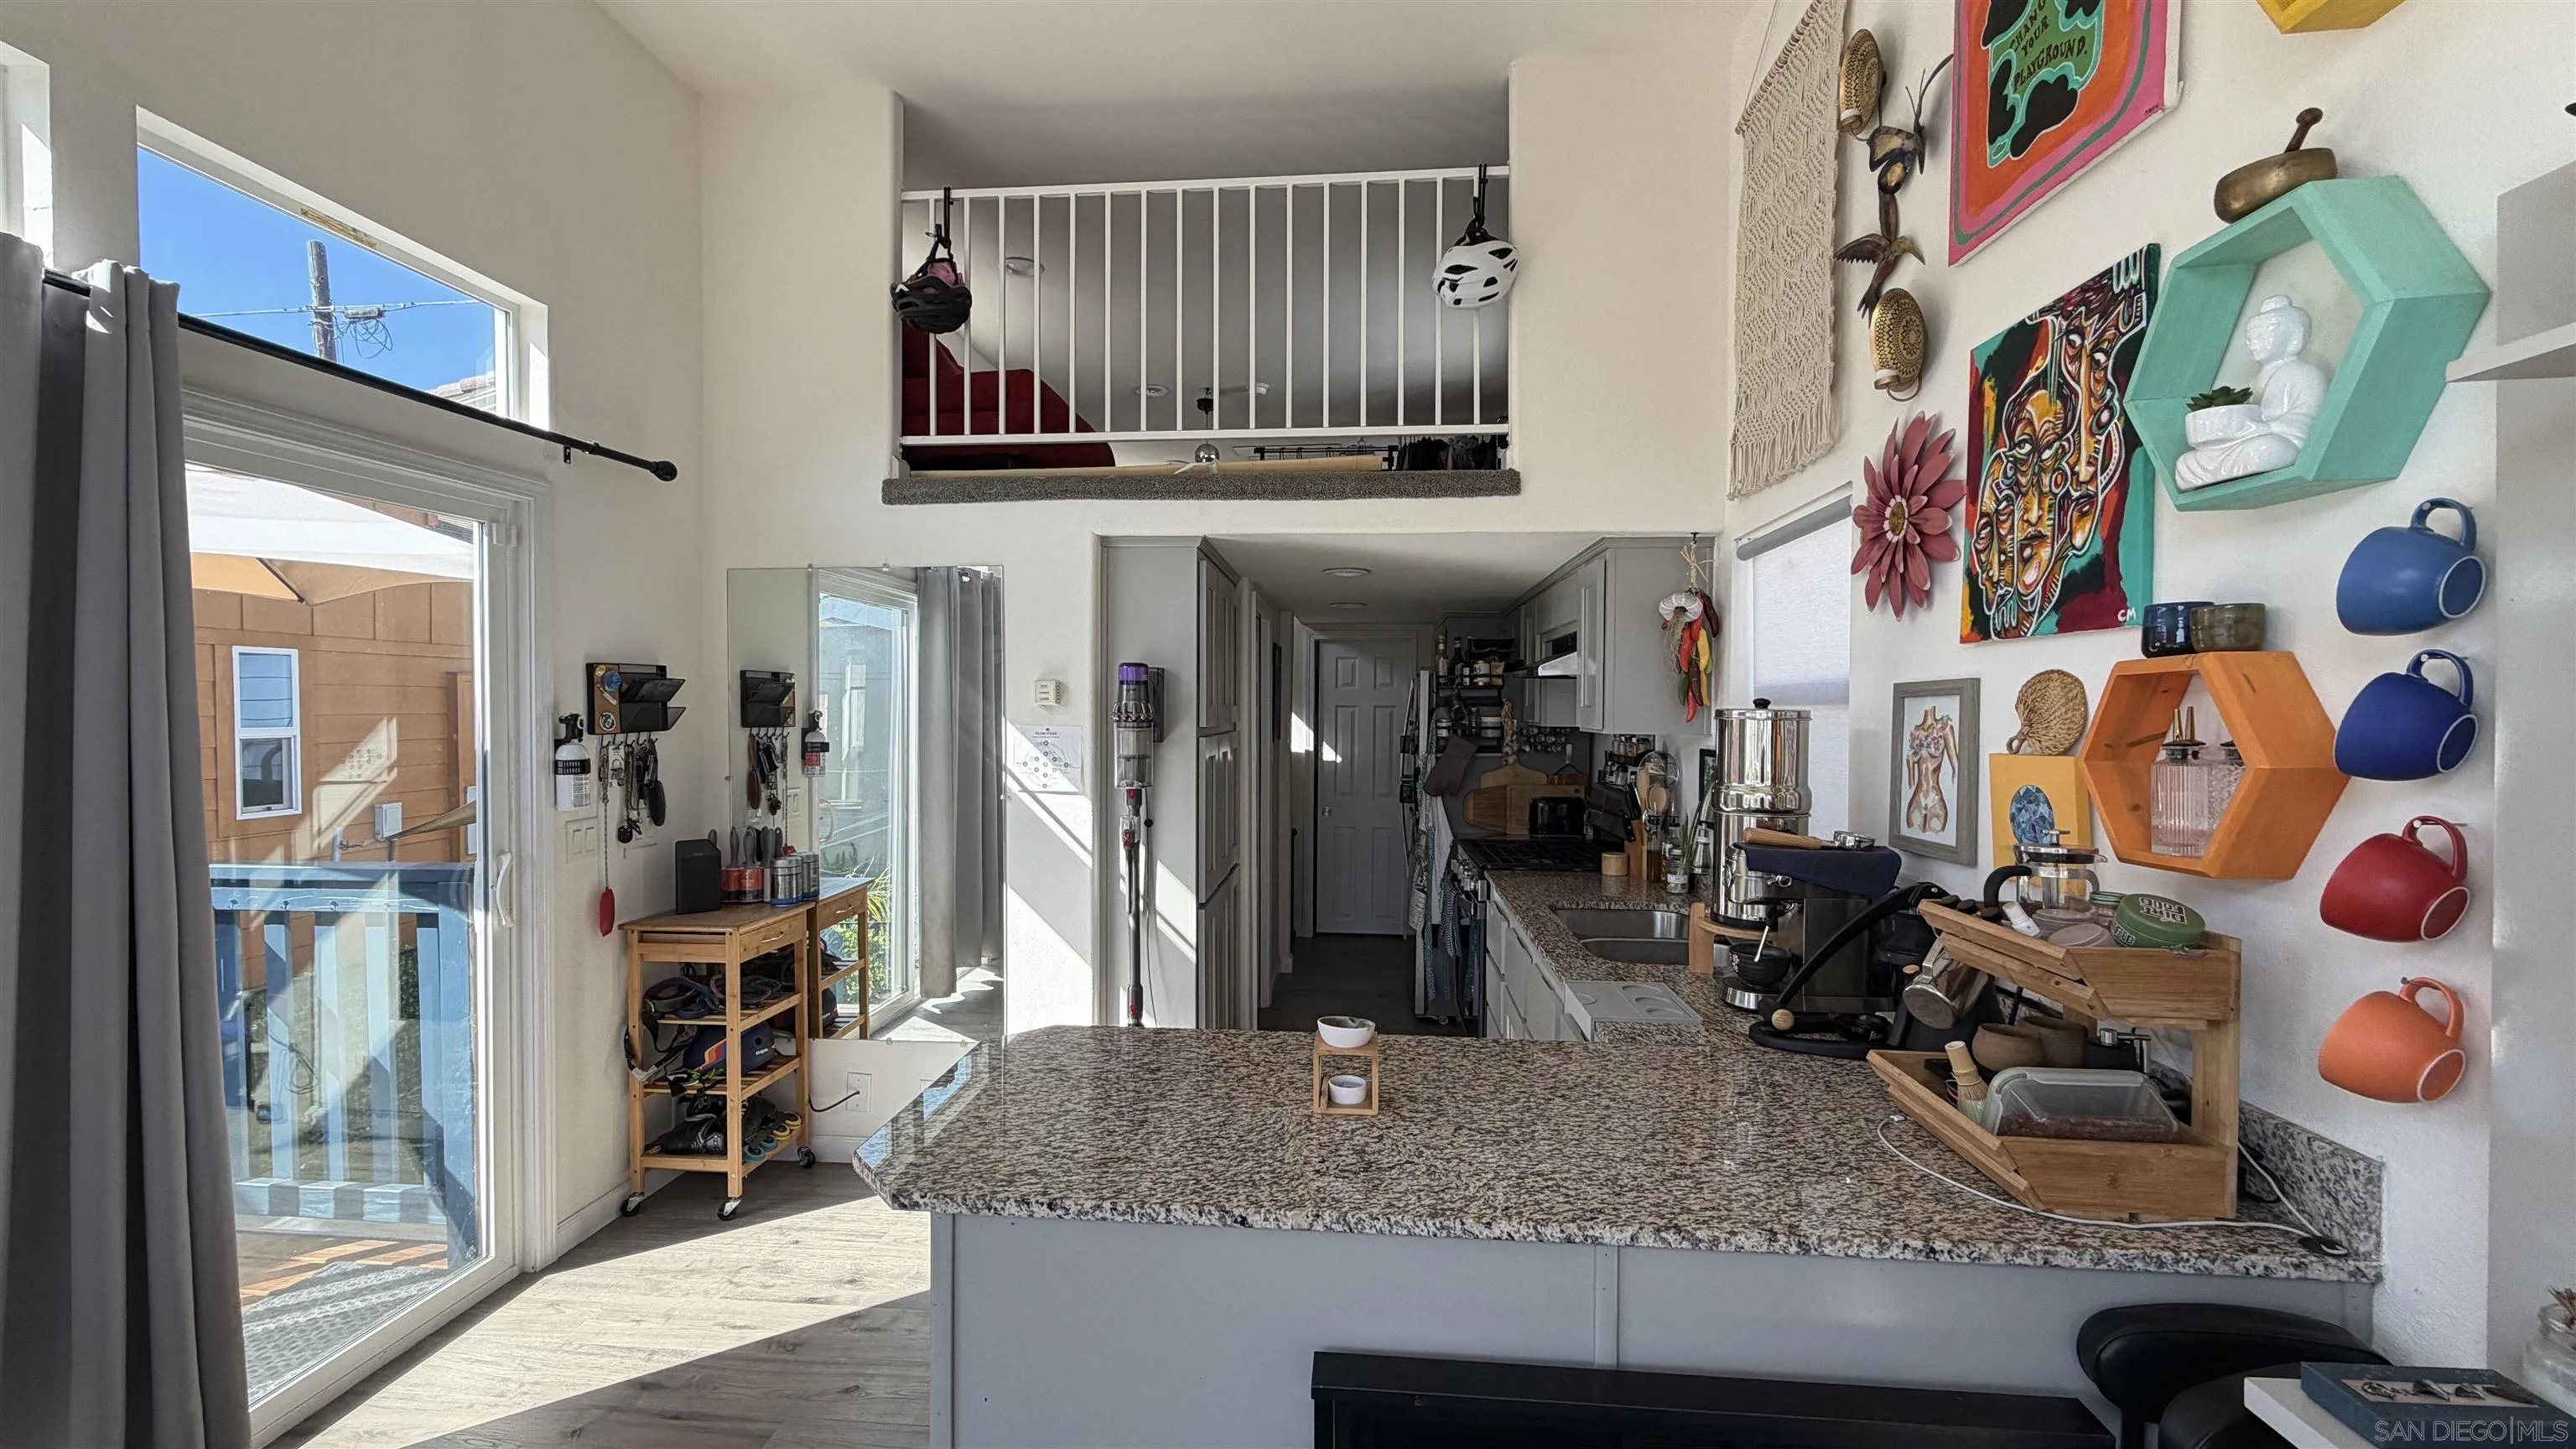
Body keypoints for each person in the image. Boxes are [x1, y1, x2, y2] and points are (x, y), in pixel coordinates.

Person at [2177, 294, 2330, 488]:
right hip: (2245, 443)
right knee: (2186, 463)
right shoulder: (2254, 382)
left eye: (2262, 336)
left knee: (2264, 449)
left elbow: (2309, 421)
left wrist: (2264, 428)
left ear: (2293, 337)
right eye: (2250, 338)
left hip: (2281, 441)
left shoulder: (2304, 373)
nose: (2253, 342)